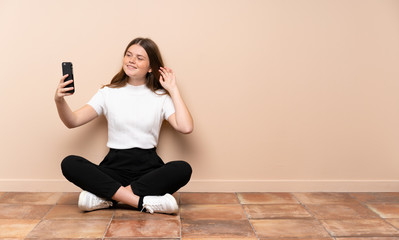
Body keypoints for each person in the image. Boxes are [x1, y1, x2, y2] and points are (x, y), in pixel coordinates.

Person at [55, 37, 193, 214]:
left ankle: (105, 198)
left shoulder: (161, 97)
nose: (131, 60)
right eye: (128, 55)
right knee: (70, 163)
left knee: (182, 169)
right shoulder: (107, 93)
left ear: (151, 67)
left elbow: (186, 127)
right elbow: (72, 121)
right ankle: (143, 202)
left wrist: (173, 90)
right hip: (113, 168)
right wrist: (59, 100)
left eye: (139, 57)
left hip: (149, 168)